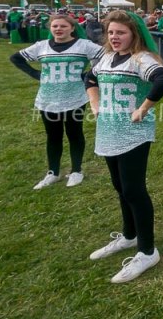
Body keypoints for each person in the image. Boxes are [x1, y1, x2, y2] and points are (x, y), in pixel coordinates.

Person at [85, 10, 163, 283]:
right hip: (109, 131)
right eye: (111, 32)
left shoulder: (141, 59)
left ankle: (147, 251)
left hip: (134, 134)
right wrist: (95, 103)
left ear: (134, 34)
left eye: (120, 32)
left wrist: (143, 109)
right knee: (120, 187)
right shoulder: (107, 57)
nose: (114, 37)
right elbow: (89, 78)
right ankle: (129, 235)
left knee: (134, 190)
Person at [10, 15, 103, 189]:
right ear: (50, 28)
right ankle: (53, 172)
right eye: (55, 26)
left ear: (72, 28)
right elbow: (16, 58)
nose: (58, 29)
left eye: (63, 26)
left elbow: (107, 57)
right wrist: (35, 74)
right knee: (53, 136)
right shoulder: (41, 46)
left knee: (74, 133)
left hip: (75, 98)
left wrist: (88, 75)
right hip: (47, 99)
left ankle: (76, 171)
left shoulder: (84, 45)